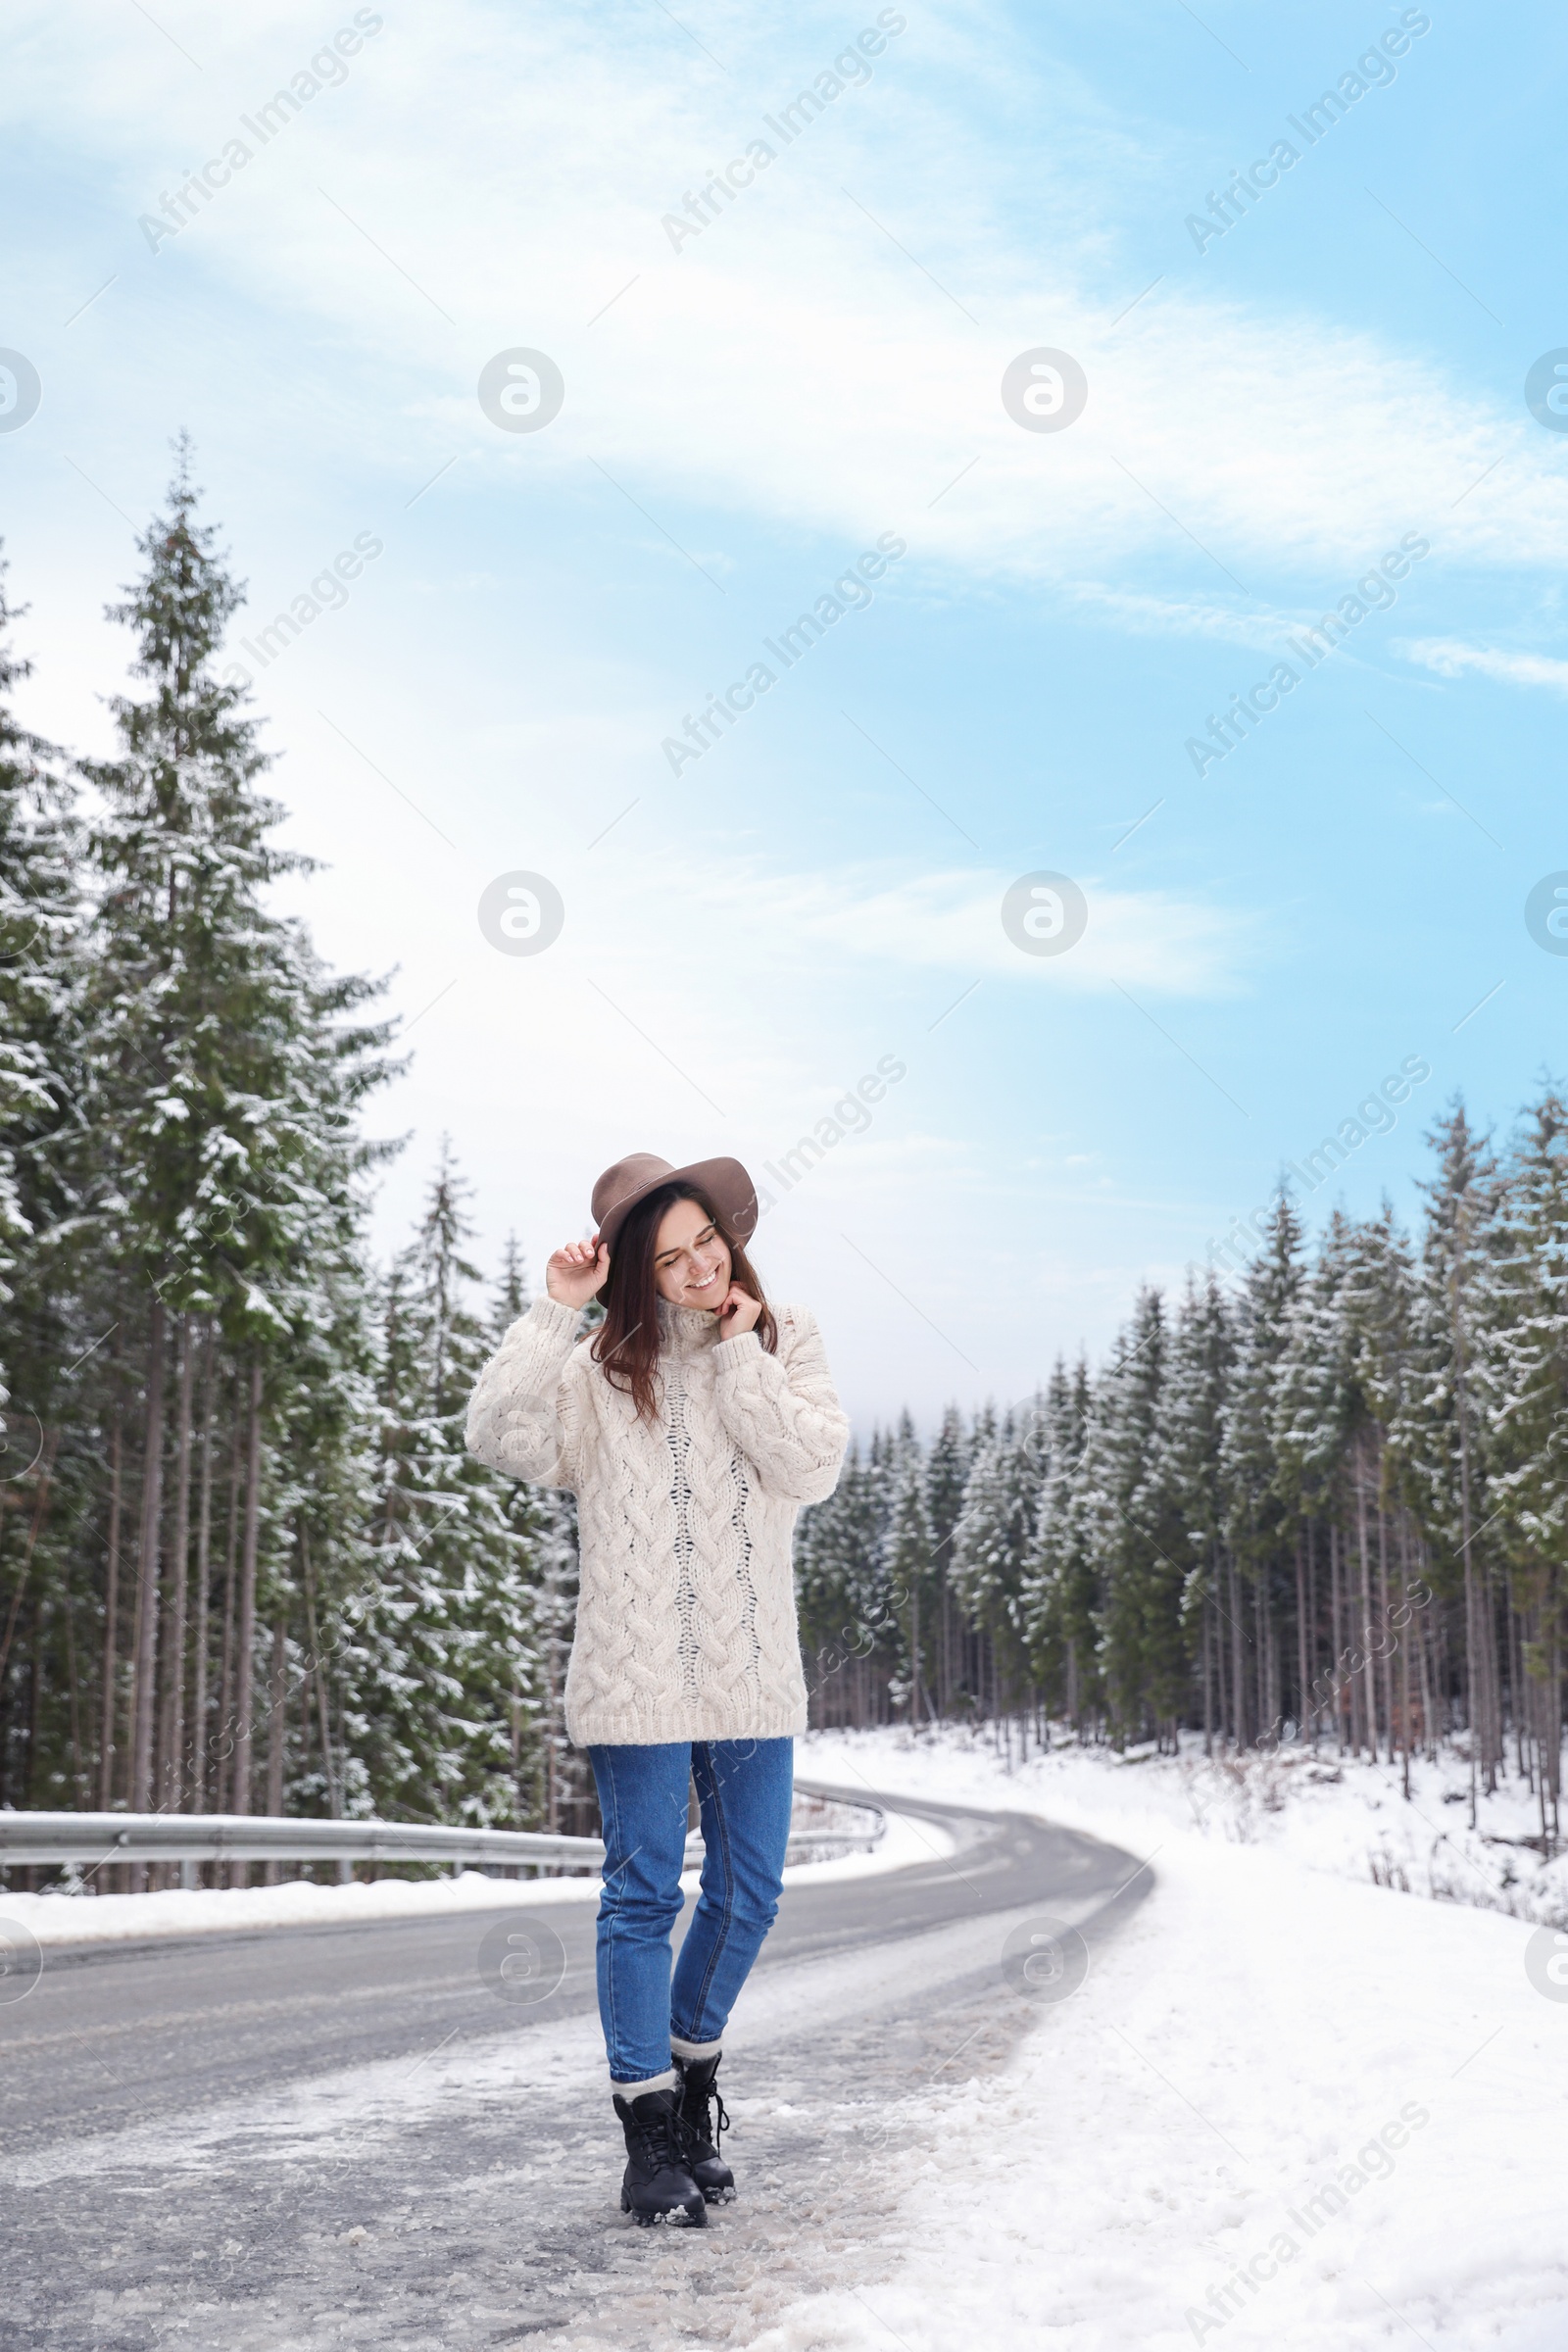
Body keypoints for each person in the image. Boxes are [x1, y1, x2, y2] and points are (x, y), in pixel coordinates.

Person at [466, 1151, 849, 2227]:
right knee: (641, 1897)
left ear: (732, 1241)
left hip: (754, 1676)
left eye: (706, 1245)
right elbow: (494, 1436)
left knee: (749, 1892)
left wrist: (738, 1357)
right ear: (634, 1269)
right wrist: (554, 1312)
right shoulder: (599, 1370)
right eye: (667, 1257)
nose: (692, 1268)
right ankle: (648, 2137)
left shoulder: (782, 1340)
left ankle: (691, 2078)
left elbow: (807, 1468)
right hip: (634, 1676)